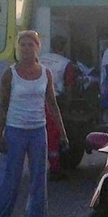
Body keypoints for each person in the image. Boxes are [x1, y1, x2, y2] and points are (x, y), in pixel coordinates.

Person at [0, 30, 68, 217]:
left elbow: (52, 104)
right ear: (17, 48)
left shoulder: (45, 73)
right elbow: (3, 105)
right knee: (8, 177)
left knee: (39, 178)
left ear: (37, 47)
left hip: (38, 131)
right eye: (22, 44)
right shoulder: (10, 74)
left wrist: (62, 133)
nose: (26, 48)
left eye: (30, 45)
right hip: (15, 130)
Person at [39, 34, 72, 175]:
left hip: (37, 100)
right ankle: (55, 169)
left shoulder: (40, 59)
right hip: (54, 100)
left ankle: (38, 165)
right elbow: (69, 86)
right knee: (53, 135)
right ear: (64, 48)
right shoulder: (66, 63)